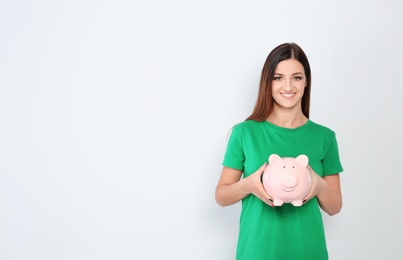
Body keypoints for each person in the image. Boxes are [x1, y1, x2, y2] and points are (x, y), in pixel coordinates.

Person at [215, 42, 343, 260]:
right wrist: (249, 186)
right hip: (257, 252)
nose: (288, 86)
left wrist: (319, 185)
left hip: (309, 252)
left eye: (296, 77)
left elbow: (335, 206)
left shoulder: (324, 137)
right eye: (278, 77)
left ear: (306, 82)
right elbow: (221, 196)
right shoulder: (245, 133)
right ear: (268, 82)